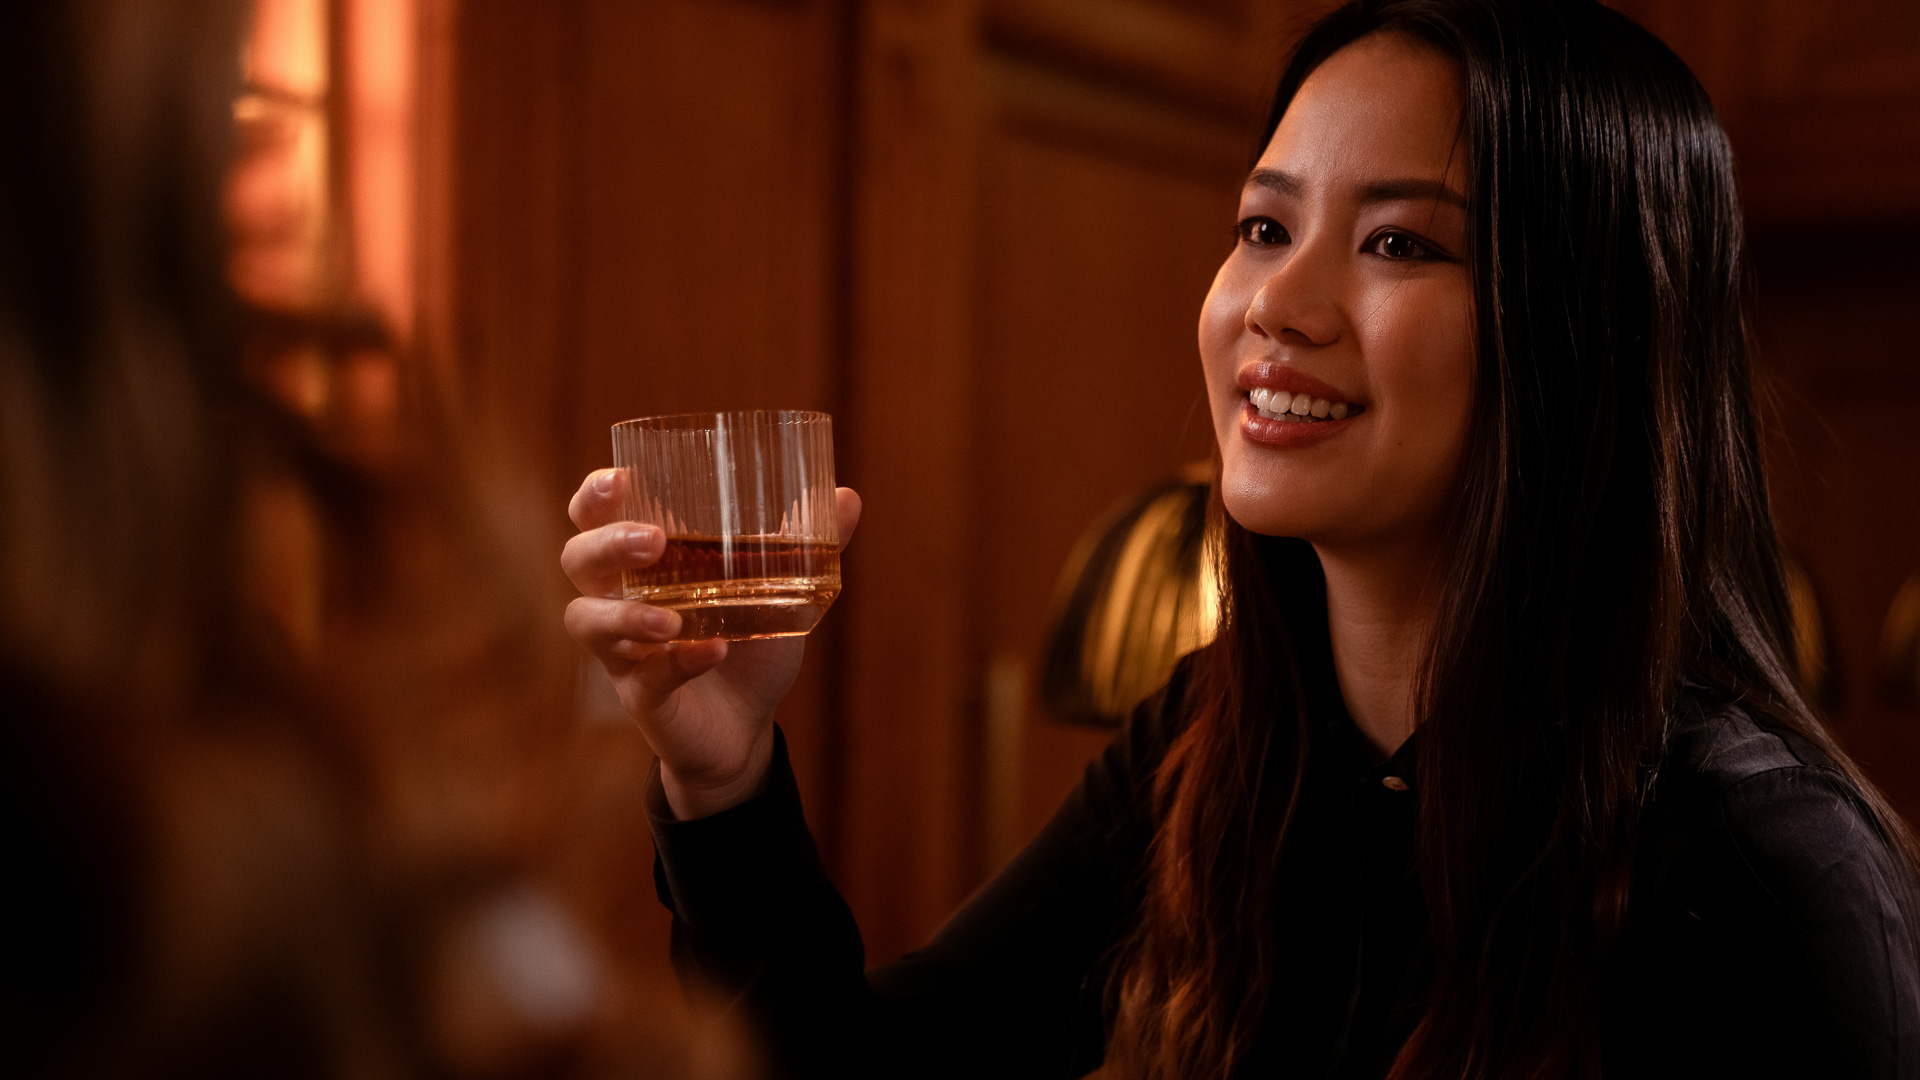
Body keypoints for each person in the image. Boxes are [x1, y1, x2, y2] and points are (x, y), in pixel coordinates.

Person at [562, 1, 1920, 1076]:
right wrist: (724, 781)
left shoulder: (1759, 876)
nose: (1278, 301)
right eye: (1265, 225)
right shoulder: (1211, 745)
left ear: (1582, 337)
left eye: (1398, 245)